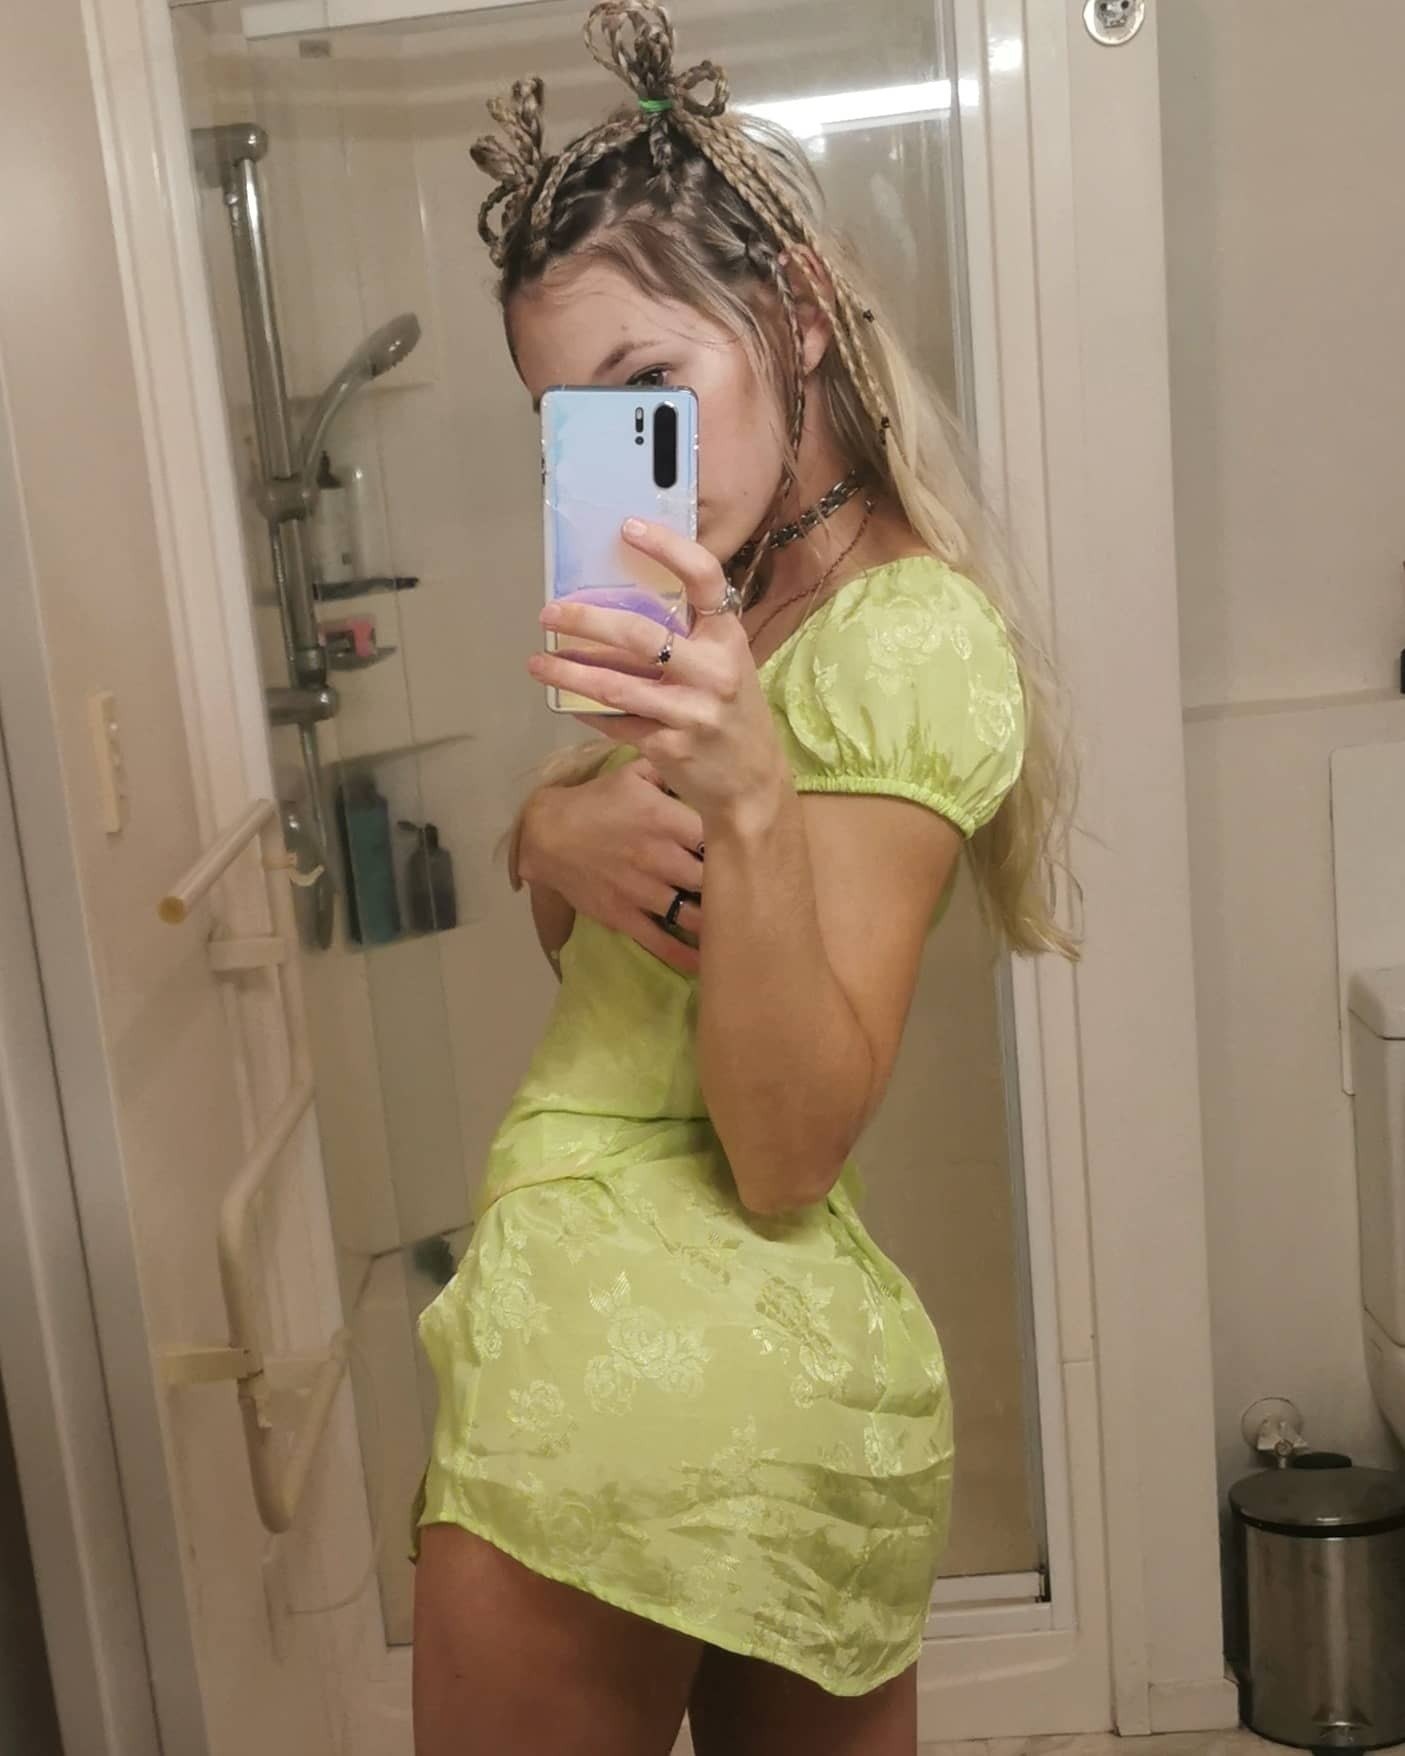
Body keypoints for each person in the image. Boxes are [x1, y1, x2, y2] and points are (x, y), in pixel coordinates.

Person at [412, 5, 1078, 1753]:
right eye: (573, 425)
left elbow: (786, 1147)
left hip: (620, 1364)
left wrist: (750, 794)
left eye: (654, 390)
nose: (629, 460)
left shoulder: (905, 637)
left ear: (793, 314)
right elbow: (619, 947)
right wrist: (550, 829)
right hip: (772, 1366)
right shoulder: (733, 602)